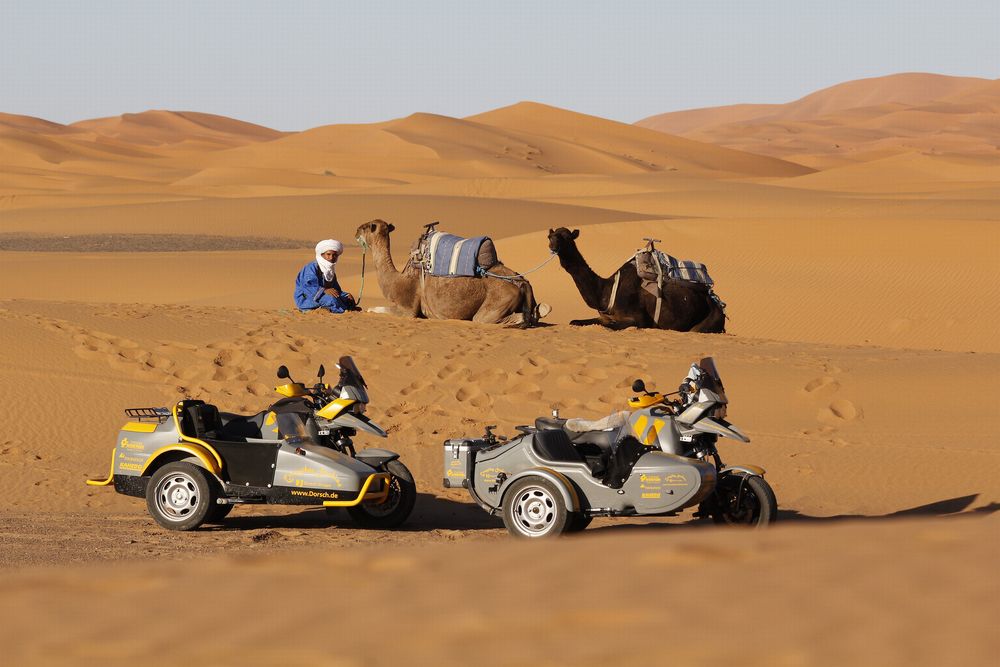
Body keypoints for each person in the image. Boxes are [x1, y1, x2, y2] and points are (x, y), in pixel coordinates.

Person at [294, 239, 358, 313]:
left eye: (334, 255)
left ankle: (345, 308)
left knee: (346, 299)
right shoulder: (311, 268)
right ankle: (343, 311)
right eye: (328, 254)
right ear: (322, 254)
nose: (331, 258)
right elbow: (308, 287)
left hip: (324, 296)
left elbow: (335, 290)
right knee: (331, 299)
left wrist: (346, 295)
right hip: (307, 299)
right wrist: (324, 290)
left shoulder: (330, 271)